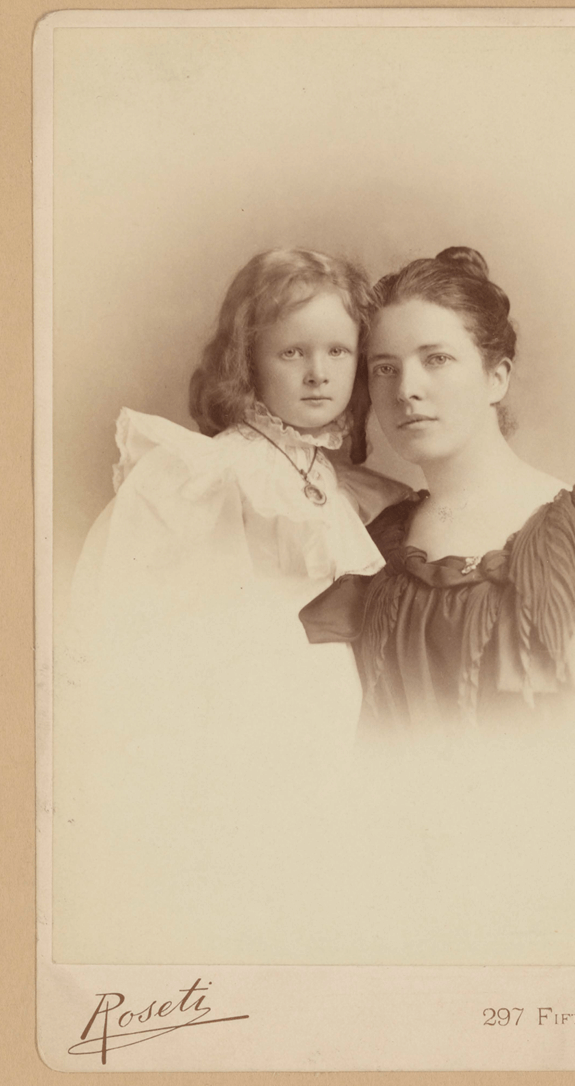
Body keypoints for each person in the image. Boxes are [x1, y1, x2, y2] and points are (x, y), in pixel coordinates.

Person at [54, 248, 409, 962]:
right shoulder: (216, 473)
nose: (318, 372)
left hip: (327, 728)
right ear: (249, 363)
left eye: (338, 350)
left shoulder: (340, 486)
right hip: (242, 726)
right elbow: (157, 622)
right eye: (292, 352)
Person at [300, 247, 575, 734]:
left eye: (436, 359)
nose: (406, 388)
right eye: (384, 368)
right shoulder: (375, 548)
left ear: (497, 378)